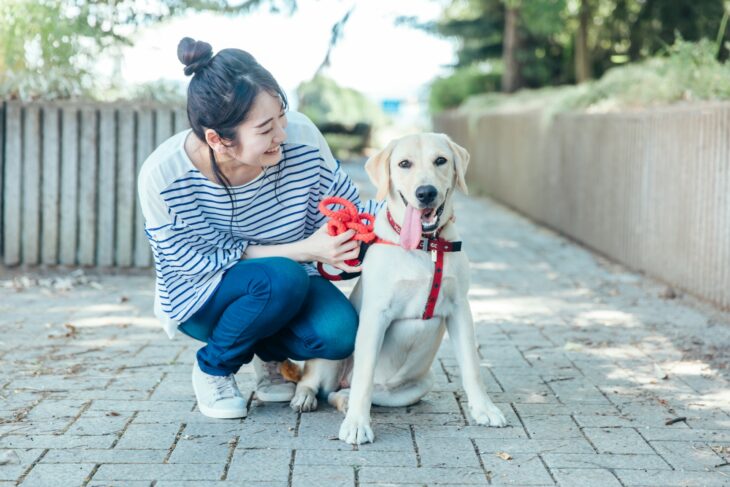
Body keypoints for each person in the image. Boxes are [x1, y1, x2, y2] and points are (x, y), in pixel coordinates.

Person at [137, 37, 379, 419]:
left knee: (338, 334)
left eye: (281, 115)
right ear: (217, 139)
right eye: (266, 129)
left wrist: (410, 213)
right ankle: (213, 367)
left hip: (286, 283)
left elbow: (347, 206)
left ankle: (270, 360)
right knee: (279, 278)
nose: (282, 134)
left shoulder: (300, 138)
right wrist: (304, 250)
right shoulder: (164, 177)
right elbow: (194, 265)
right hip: (204, 297)